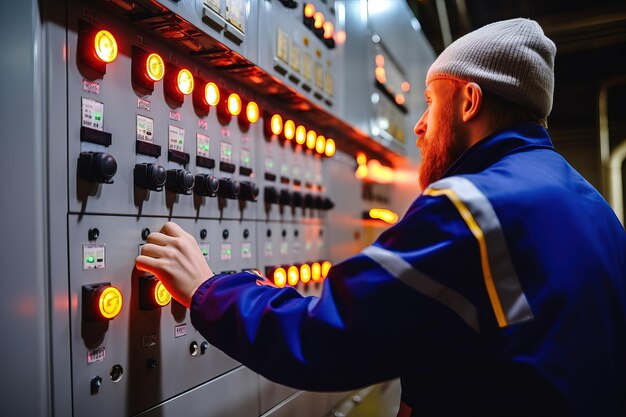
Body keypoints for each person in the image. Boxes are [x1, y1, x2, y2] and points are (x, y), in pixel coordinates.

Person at [136, 18, 626, 417]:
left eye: (432, 104)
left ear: (469, 102)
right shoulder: (593, 208)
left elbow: (323, 336)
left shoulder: (472, 208)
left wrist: (207, 290)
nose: (418, 125)